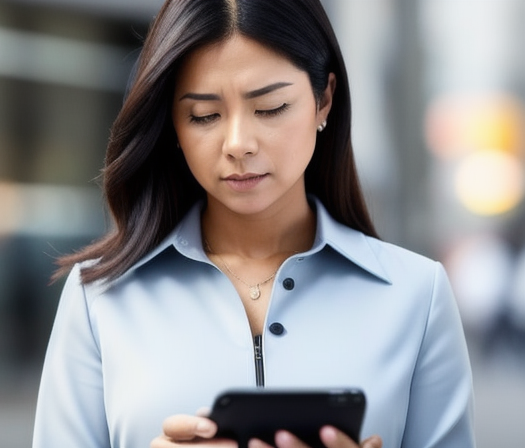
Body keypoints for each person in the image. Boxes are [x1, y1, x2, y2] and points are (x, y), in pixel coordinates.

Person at [32, 0, 475, 447]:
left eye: (270, 107)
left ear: (324, 99)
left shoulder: (417, 296)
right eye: (204, 115)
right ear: (173, 125)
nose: (238, 144)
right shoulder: (99, 298)